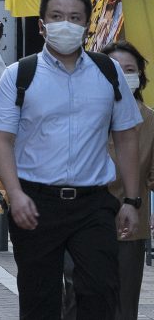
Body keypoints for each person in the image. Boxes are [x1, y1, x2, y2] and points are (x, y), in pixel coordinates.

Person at [0, 0, 142, 319]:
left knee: (100, 290)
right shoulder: (19, 75)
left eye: (74, 18)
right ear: (42, 25)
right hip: (36, 203)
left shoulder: (107, 72)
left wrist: (131, 200)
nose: (65, 24)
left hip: (94, 204)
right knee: (40, 299)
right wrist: (15, 194)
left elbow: (127, 136)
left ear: (87, 26)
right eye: (57, 16)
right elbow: (1, 139)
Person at [103, 41, 154, 320]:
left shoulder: (150, 121)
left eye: (130, 70)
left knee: (124, 305)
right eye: (115, 70)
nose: (123, 76)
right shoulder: (88, 114)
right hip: (82, 221)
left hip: (129, 227)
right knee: (77, 297)